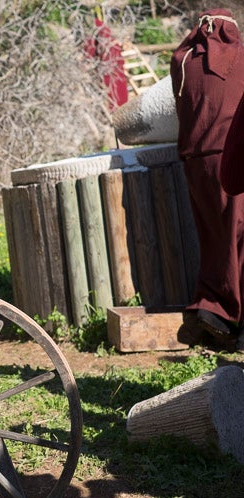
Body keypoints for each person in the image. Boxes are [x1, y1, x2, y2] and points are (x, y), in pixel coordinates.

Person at [170, 9, 244, 349]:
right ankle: (225, 313)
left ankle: (208, 305)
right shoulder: (239, 58)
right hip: (228, 158)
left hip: (192, 161)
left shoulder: (184, 61)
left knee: (213, 238)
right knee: (236, 239)